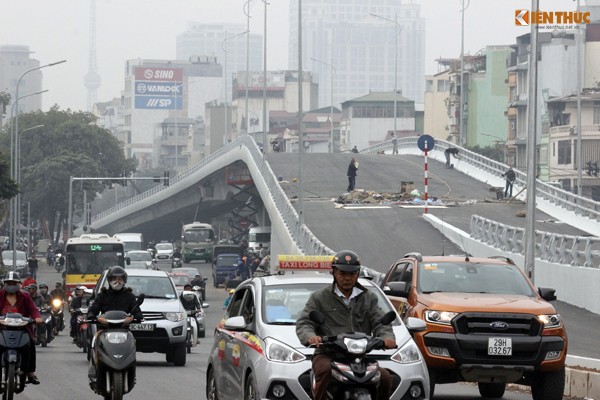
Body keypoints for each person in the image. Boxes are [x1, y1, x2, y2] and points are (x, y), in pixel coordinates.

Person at [296, 250, 396, 400]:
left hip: (359, 358)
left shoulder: (369, 298)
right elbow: (305, 322)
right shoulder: (319, 298)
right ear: (334, 273)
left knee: (385, 378)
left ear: (357, 274)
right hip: (327, 354)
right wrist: (311, 337)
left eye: (352, 274)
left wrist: (387, 338)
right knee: (325, 371)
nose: (347, 278)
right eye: (342, 273)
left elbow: (380, 322)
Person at [0, 272, 42, 384]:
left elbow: (33, 310)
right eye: (8, 283)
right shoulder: (0, 295)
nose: (11, 285)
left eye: (14, 283)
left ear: (19, 284)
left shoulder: (25, 296)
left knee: (30, 344)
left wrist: (37, 318)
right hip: (2, 328)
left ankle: (30, 372)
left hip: (22, 329)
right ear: (4, 284)